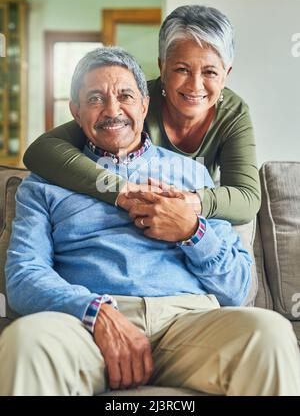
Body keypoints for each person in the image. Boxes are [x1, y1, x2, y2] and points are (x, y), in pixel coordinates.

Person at [1, 48, 299, 396]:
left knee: (269, 334)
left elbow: (237, 287)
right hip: (86, 327)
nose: (113, 110)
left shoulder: (192, 173)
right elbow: (24, 275)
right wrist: (94, 311)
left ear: (144, 105)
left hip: (187, 322)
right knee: (26, 342)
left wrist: (193, 231)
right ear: (76, 112)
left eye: (125, 96)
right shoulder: (45, 181)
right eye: (95, 98)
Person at [23, 5, 261, 226]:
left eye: (210, 72)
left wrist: (189, 203)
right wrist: (123, 190)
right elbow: (41, 151)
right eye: (182, 70)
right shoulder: (132, 103)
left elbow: (248, 198)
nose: (195, 86)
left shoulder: (234, 114)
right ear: (162, 67)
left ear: (226, 74)